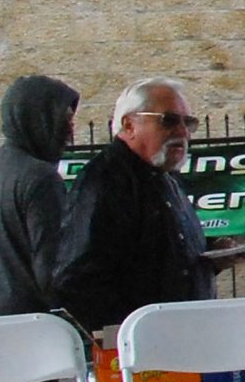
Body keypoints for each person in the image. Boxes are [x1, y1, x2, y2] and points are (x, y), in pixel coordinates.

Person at [52, 77, 218, 333]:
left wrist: (211, 258)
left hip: (183, 334)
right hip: (141, 348)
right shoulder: (106, 181)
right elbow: (79, 278)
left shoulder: (164, 177)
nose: (183, 132)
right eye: (169, 120)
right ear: (129, 124)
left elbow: (158, 255)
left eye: (189, 122)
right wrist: (121, 340)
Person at [0, 73, 80, 382]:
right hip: (26, 334)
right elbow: (51, 269)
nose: (69, 134)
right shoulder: (40, 179)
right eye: (63, 123)